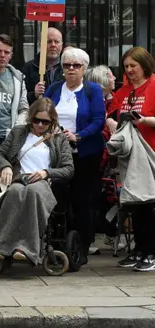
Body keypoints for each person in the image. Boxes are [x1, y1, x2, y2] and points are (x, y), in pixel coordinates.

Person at [0, 98, 74, 264]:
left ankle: (25, 249)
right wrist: (5, 166)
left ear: (52, 121)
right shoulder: (19, 132)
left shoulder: (59, 138)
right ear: (30, 118)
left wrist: (46, 173)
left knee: (33, 193)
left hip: (44, 183)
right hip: (20, 178)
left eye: (45, 122)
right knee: (13, 192)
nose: (40, 125)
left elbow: (68, 169)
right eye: (36, 120)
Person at [43, 47, 105, 264]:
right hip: (57, 155)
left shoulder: (92, 90)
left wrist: (78, 136)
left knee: (82, 201)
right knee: (57, 198)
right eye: (67, 65)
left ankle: (83, 246)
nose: (71, 69)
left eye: (76, 65)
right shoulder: (54, 88)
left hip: (84, 154)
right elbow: (42, 113)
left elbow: (99, 120)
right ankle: (58, 242)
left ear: (84, 69)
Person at [106, 47, 155, 271]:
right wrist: (115, 124)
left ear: (144, 65)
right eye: (126, 66)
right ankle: (139, 249)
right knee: (133, 204)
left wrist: (143, 120)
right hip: (129, 155)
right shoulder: (124, 90)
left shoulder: (153, 85)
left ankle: (150, 252)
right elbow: (111, 114)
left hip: (149, 151)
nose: (129, 70)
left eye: (133, 66)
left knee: (149, 204)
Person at [84, 65, 121, 254]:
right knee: (95, 196)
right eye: (110, 74)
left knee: (112, 196)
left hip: (112, 156)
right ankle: (91, 237)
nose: (115, 77)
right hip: (98, 154)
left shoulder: (115, 99)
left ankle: (110, 232)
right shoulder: (94, 100)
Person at [0, 34, 29, 150]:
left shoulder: (18, 78)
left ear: (11, 55)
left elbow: (23, 108)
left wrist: (16, 131)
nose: (2, 55)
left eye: (6, 52)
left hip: (6, 139)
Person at [22, 27, 65, 105]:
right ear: (40, 44)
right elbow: (20, 100)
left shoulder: (68, 68)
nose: (53, 45)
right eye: (49, 41)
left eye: (56, 42)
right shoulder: (28, 68)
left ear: (62, 45)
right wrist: (34, 94)